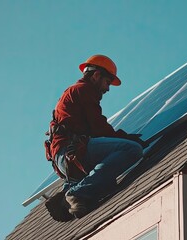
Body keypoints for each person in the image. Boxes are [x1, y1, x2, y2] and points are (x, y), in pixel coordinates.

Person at [46, 54, 147, 218]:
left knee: (104, 181)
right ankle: (77, 193)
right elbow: (99, 127)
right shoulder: (83, 90)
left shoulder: (72, 93)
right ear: (96, 75)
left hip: (66, 161)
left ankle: (67, 197)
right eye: (107, 82)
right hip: (72, 152)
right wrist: (126, 138)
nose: (107, 89)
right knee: (131, 150)